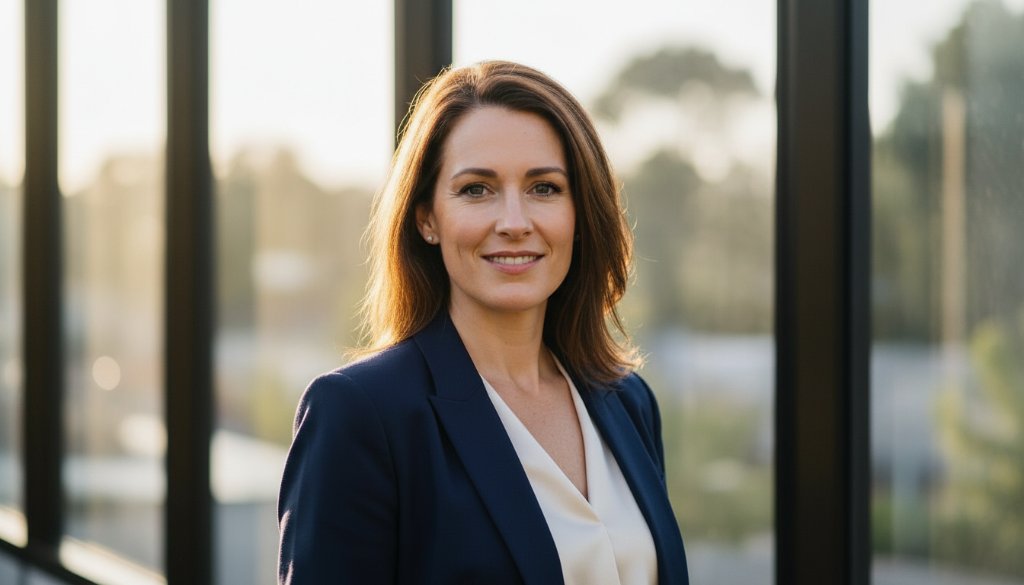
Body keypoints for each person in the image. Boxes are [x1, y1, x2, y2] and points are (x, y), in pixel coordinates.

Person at [277, 60, 688, 585]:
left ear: (580, 214)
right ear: (427, 217)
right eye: (477, 189)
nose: (515, 223)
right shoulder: (361, 415)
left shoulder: (627, 401)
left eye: (545, 188)